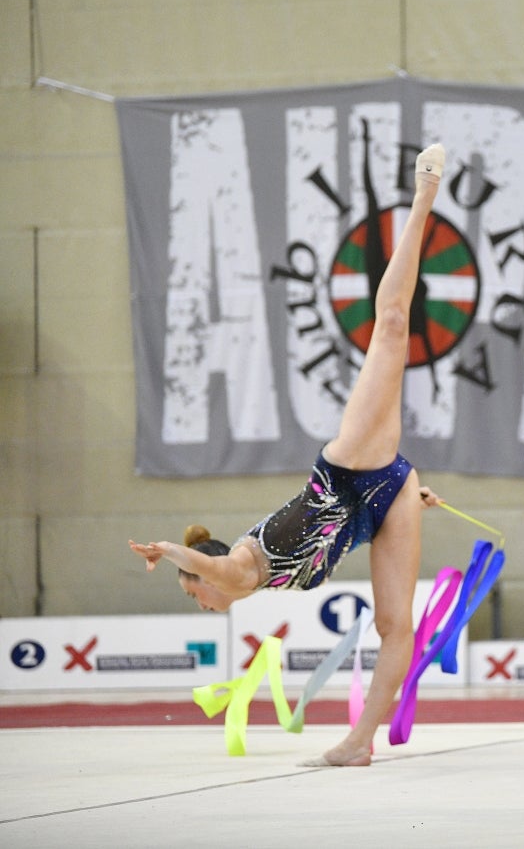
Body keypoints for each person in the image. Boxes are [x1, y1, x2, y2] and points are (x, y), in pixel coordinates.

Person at [130, 143, 449, 767]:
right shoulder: (250, 581)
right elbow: (221, 574)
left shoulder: (241, 567)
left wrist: (168, 549)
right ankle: (360, 743)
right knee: (395, 627)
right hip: (383, 503)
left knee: (389, 327)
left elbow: (215, 573)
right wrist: (413, 493)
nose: (203, 602)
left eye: (195, 594)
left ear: (206, 576)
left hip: (349, 469)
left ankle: (425, 198)